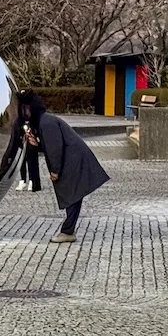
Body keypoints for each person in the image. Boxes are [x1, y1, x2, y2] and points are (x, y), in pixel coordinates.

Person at [18, 89, 110, 243]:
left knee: (72, 194)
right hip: (72, 157)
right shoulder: (45, 121)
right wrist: (37, 144)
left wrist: (55, 170)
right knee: (73, 195)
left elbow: (55, 148)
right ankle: (68, 230)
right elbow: (51, 145)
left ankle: (68, 231)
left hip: (73, 159)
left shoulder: (46, 123)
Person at [14, 113, 41, 192]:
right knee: (21, 162)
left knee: (31, 162)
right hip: (22, 143)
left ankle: (31, 181)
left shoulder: (34, 118)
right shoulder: (20, 119)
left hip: (31, 143)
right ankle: (23, 180)